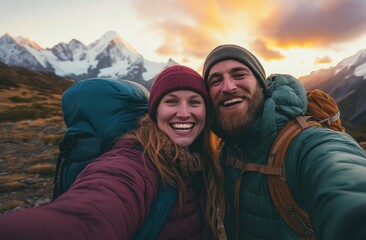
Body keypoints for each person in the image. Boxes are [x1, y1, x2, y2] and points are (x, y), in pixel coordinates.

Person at [202, 44, 366, 240]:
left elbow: (341, 169)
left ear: (262, 85)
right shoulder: (223, 149)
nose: (228, 87)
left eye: (239, 74)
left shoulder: (304, 143)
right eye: (216, 80)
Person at [0, 65, 226, 240]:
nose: (184, 113)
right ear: (155, 113)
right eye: (172, 101)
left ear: (206, 112)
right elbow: (93, 213)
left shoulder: (202, 159)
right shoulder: (136, 160)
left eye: (195, 102)